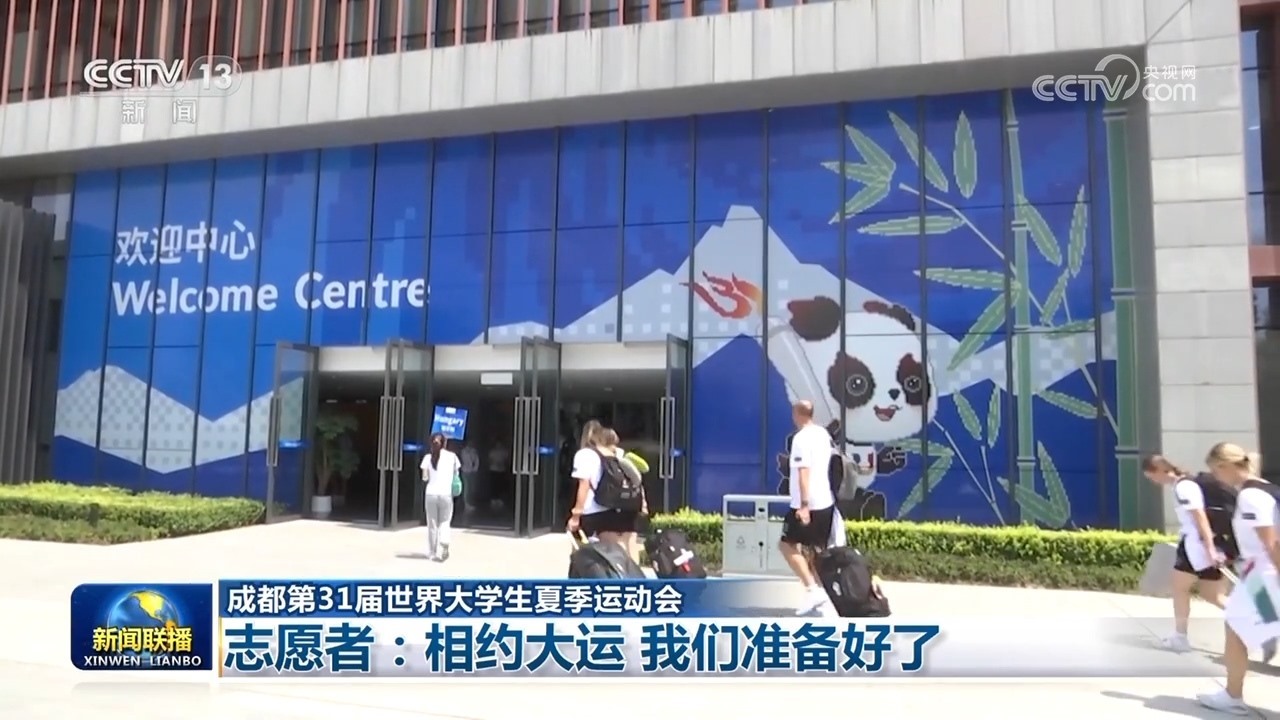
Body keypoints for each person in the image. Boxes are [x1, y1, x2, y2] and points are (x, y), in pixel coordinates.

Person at [1197, 443, 1275, 715]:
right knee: (1255, 626)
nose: (1217, 478)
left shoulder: (1251, 496)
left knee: (1235, 626)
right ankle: (1233, 693)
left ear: (1225, 466)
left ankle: (1232, 695)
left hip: (1263, 574)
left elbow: (1271, 543)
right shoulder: (1265, 489)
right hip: (1258, 573)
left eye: (1215, 471)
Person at [1141, 454, 1228, 652]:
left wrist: (1209, 547)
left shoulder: (1184, 487)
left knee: (1179, 588)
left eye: (1152, 477)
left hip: (1195, 545)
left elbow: (1200, 517)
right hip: (1201, 545)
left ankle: (1180, 637)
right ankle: (1252, 619)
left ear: (1160, 470)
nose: (1154, 481)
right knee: (1212, 595)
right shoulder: (1184, 485)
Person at [778, 400, 838, 615]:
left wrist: (803, 506)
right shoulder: (823, 434)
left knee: (786, 545)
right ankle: (825, 597)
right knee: (816, 551)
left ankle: (813, 590)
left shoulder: (801, 439)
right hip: (825, 501)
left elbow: (804, 472)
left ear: (797, 413)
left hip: (807, 504)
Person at [567, 425, 646, 550]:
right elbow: (636, 479)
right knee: (627, 547)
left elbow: (584, 485)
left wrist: (576, 514)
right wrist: (643, 503)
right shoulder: (620, 454)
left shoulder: (585, 454)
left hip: (595, 509)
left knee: (592, 551)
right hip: (623, 506)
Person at [421, 433, 460, 562]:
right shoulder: (452, 457)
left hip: (431, 494)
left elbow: (425, 478)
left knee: (432, 524)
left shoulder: (427, 458)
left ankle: (432, 553)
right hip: (446, 494)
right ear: (445, 443)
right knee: (445, 521)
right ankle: (444, 542)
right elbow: (456, 474)